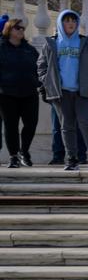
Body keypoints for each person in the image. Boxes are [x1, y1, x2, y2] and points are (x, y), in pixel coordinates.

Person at [37, 9, 88, 171]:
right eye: (67, 21)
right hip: (61, 93)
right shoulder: (51, 43)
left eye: (73, 21)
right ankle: (72, 159)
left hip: (81, 92)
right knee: (66, 126)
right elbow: (41, 66)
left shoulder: (85, 43)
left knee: (87, 123)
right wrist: (48, 82)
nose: (70, 24)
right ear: (60, 23)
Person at [0, 17, 39, 168]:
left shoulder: (29, 49)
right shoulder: (1, 48)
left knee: (31, 124)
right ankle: (13, 156)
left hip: (29, 93)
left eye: (23, 28)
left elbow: (40, 68)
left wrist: (39, 83)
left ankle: (24, 151)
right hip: (6, 94)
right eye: (18, 28)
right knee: (11, 126)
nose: (22, 30)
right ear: (9, 30)